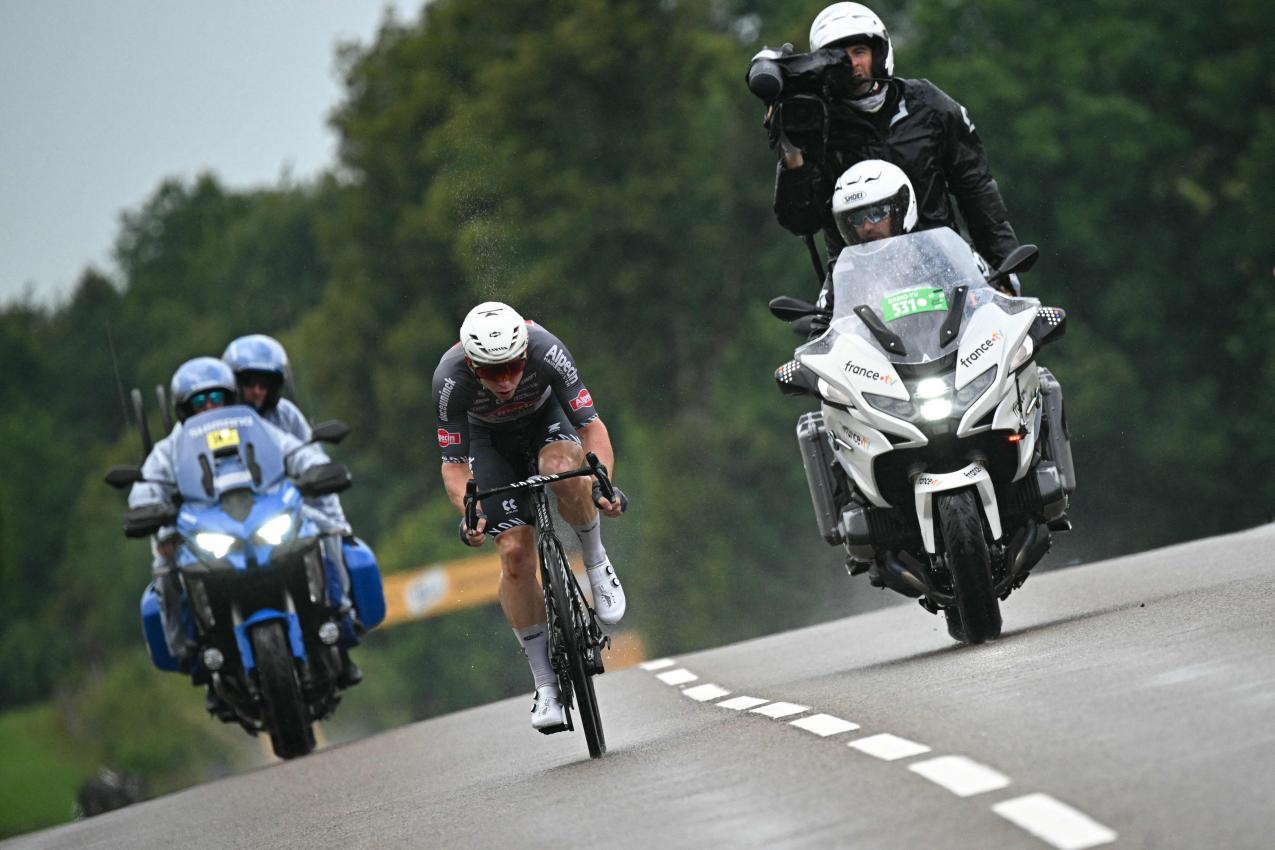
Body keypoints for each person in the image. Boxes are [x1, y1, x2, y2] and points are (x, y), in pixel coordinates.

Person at [433, 302, 628, 732]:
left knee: (561, 472)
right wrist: (473, 512)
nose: (504, 381)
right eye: (490, 371)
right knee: (515, 555)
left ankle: (595, 560)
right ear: (470, 363)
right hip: (488, 443)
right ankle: (544, 683)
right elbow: (453, 466)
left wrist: (602, 485)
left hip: (546, 421)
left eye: (513, 367)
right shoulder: (449, 379)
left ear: (525, 353)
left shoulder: (547, 349)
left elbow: (592, 428)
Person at [768, 2, 1019, 303]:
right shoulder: (818, 127)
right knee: (813, 347)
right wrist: (792, 153)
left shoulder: (931, 108)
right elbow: (801, 221)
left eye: (859, 52)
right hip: (857, 288)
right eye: (839, 58)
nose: (852, 65)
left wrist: (1004, 269)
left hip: (946, 269)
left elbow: (976, 189)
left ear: (879, 53)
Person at [129, 357, 351, 688]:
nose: (208, 407)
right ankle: (189, 647)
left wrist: (315, 467)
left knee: (324, 532)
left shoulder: (256, 427)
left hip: (261, 522)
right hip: (201, 533)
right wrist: (146, 505)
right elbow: (146, 485)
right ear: (183, 408)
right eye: (199, 401)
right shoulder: (171, 447)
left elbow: (294, 450)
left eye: (216, 398)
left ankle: (337, 613)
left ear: (230, 398)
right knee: (164, 571)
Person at [221, 335, 358, 636]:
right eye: (249, 382)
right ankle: (206, 641)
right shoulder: (211, 426)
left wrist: (337, 520)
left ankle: (340, 611)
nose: (257, 391)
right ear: (232, 383)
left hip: (285, 511)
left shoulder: (286, 415)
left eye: (264, 383)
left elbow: (308, 455)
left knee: (329, 534)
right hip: (230, 523)